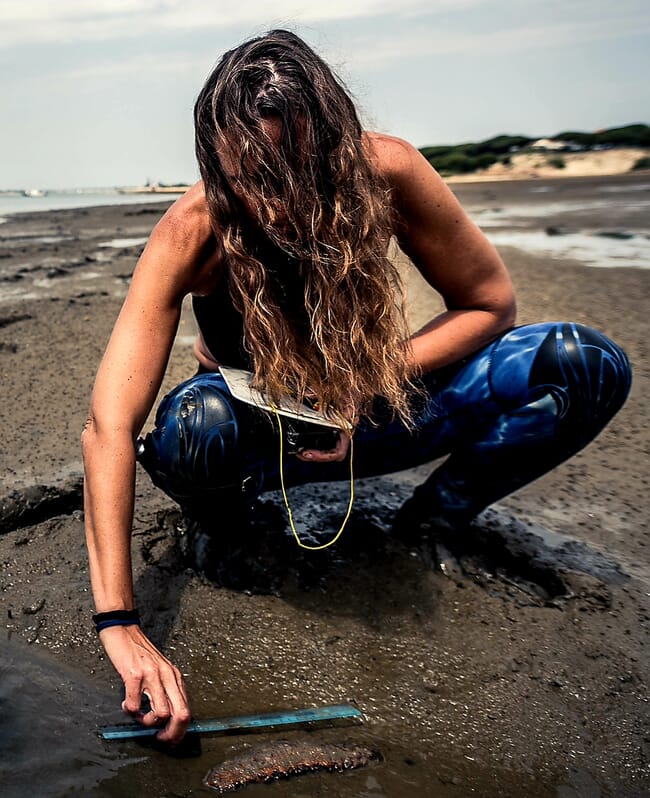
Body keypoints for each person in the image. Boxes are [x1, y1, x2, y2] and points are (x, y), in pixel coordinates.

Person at [81, 28, 632, 744]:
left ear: (337, 139)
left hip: (377, 417)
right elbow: (109, 426)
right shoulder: (193, 229)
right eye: (252, 176)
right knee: (192, 427)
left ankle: (434, 522)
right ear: (214, 162)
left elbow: (491, 303)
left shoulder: (390, 170)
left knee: (583, 359)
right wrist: (119, 624)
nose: (278, 203)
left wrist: (366, 382)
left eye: (300, 168)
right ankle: (236, 533)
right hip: (264, 442)